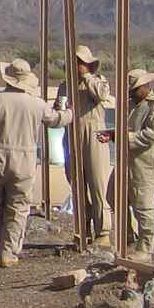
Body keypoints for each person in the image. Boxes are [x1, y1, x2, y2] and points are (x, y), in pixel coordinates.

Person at [0, 58, 71, 267]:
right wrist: (69, 112)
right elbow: (56, 120)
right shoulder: (37, 104)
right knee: (17, 208)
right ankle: (8, 253)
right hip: (24, 160)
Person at [100, 69, 154, 260]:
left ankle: (145, 249)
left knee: (143, 205)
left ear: (144, 87)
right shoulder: (130, 105)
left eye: (133, 89)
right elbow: (126, 129)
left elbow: (150, 136)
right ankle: (129, 238)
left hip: (144, 163)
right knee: (114, 196)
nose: (130, 93)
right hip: (126, 160)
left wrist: (121, 136)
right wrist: (112, 134)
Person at [58, 44, 112, 246]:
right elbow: (60, 108)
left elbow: (102, 95)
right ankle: (82, 229)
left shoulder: (98, 82)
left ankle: (103, 231)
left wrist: (87, 76)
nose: (76, 66)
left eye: (80, 62)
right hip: (72, 133)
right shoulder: (65, 86)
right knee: (77, 184)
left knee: (98, 184)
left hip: (94, 133)